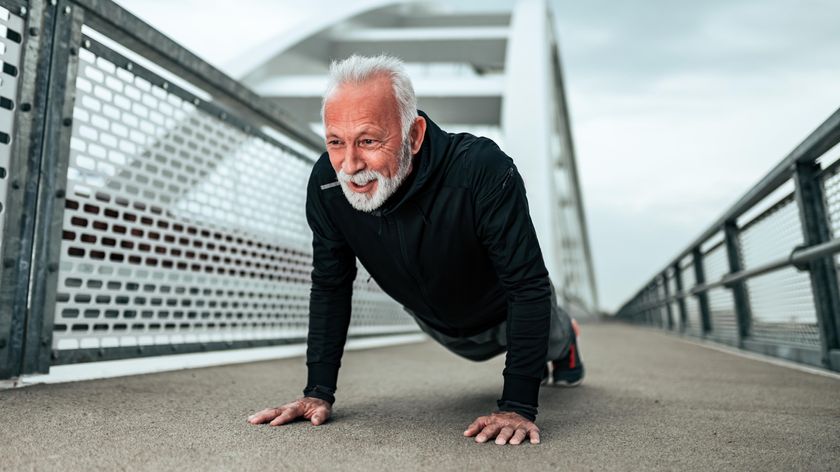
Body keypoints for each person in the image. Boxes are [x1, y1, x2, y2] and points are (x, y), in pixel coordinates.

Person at [247, 55, 584, 445]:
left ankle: (566, 343)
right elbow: (330, 284)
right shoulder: (327, 183)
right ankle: (529, 355)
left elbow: (526, 287)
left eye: (369, 140)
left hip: (504, 308)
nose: (351, 165)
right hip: (436, 321)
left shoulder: (482, 169)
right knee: (475, 346)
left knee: (547, 337)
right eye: (336, 142)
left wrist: (518, 406)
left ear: (414, 135)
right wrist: (317, 391)